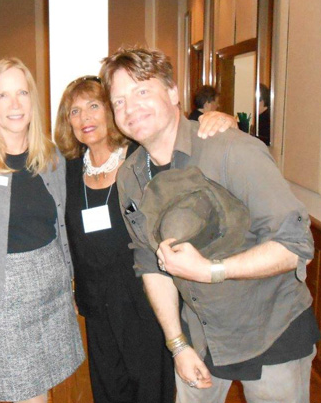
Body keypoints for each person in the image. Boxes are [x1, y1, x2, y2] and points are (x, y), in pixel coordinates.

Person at [101, 47, 320, 403]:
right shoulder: (130, 176)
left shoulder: (232, 150)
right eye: (119, 100)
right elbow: (149, 264)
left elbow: (295, 245)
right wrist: (177, 345)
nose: (130, 108)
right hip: (199, 338)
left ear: (173, 93)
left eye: (142, 91)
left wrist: (212, 271)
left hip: (271, 330)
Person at [54, 76, 235, 403]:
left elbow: (183, 139)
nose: (85, 118)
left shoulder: (139, 158)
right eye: (75, 111)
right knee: (108, 388)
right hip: (97, 302)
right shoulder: (66, 170)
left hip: (146, 299)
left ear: (111, 110)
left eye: (94, 106)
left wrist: (219, 119)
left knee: (152, 389)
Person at [0, 58, 84, 403]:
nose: (15, 104)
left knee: (44, 393)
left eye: (22, 92)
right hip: (3, 300)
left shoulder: (50, 157)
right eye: (3, 95)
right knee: (24, 396)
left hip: (52, 294)